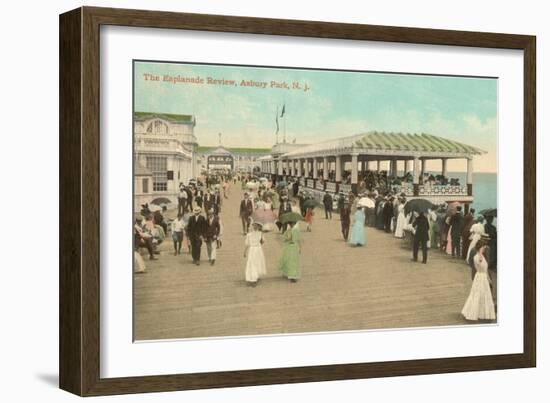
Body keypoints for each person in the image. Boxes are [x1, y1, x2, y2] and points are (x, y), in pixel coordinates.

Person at [461, 244, 496, 321]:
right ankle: (478, 312)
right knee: (479, 294)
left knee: (478, 294)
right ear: (480, 248)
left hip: (480, 276)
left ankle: (480, 312)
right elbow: (481, 264)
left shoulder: (478, 256)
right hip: (481, 278)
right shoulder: (479, 257)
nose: (484, 249)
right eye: (483, 247)